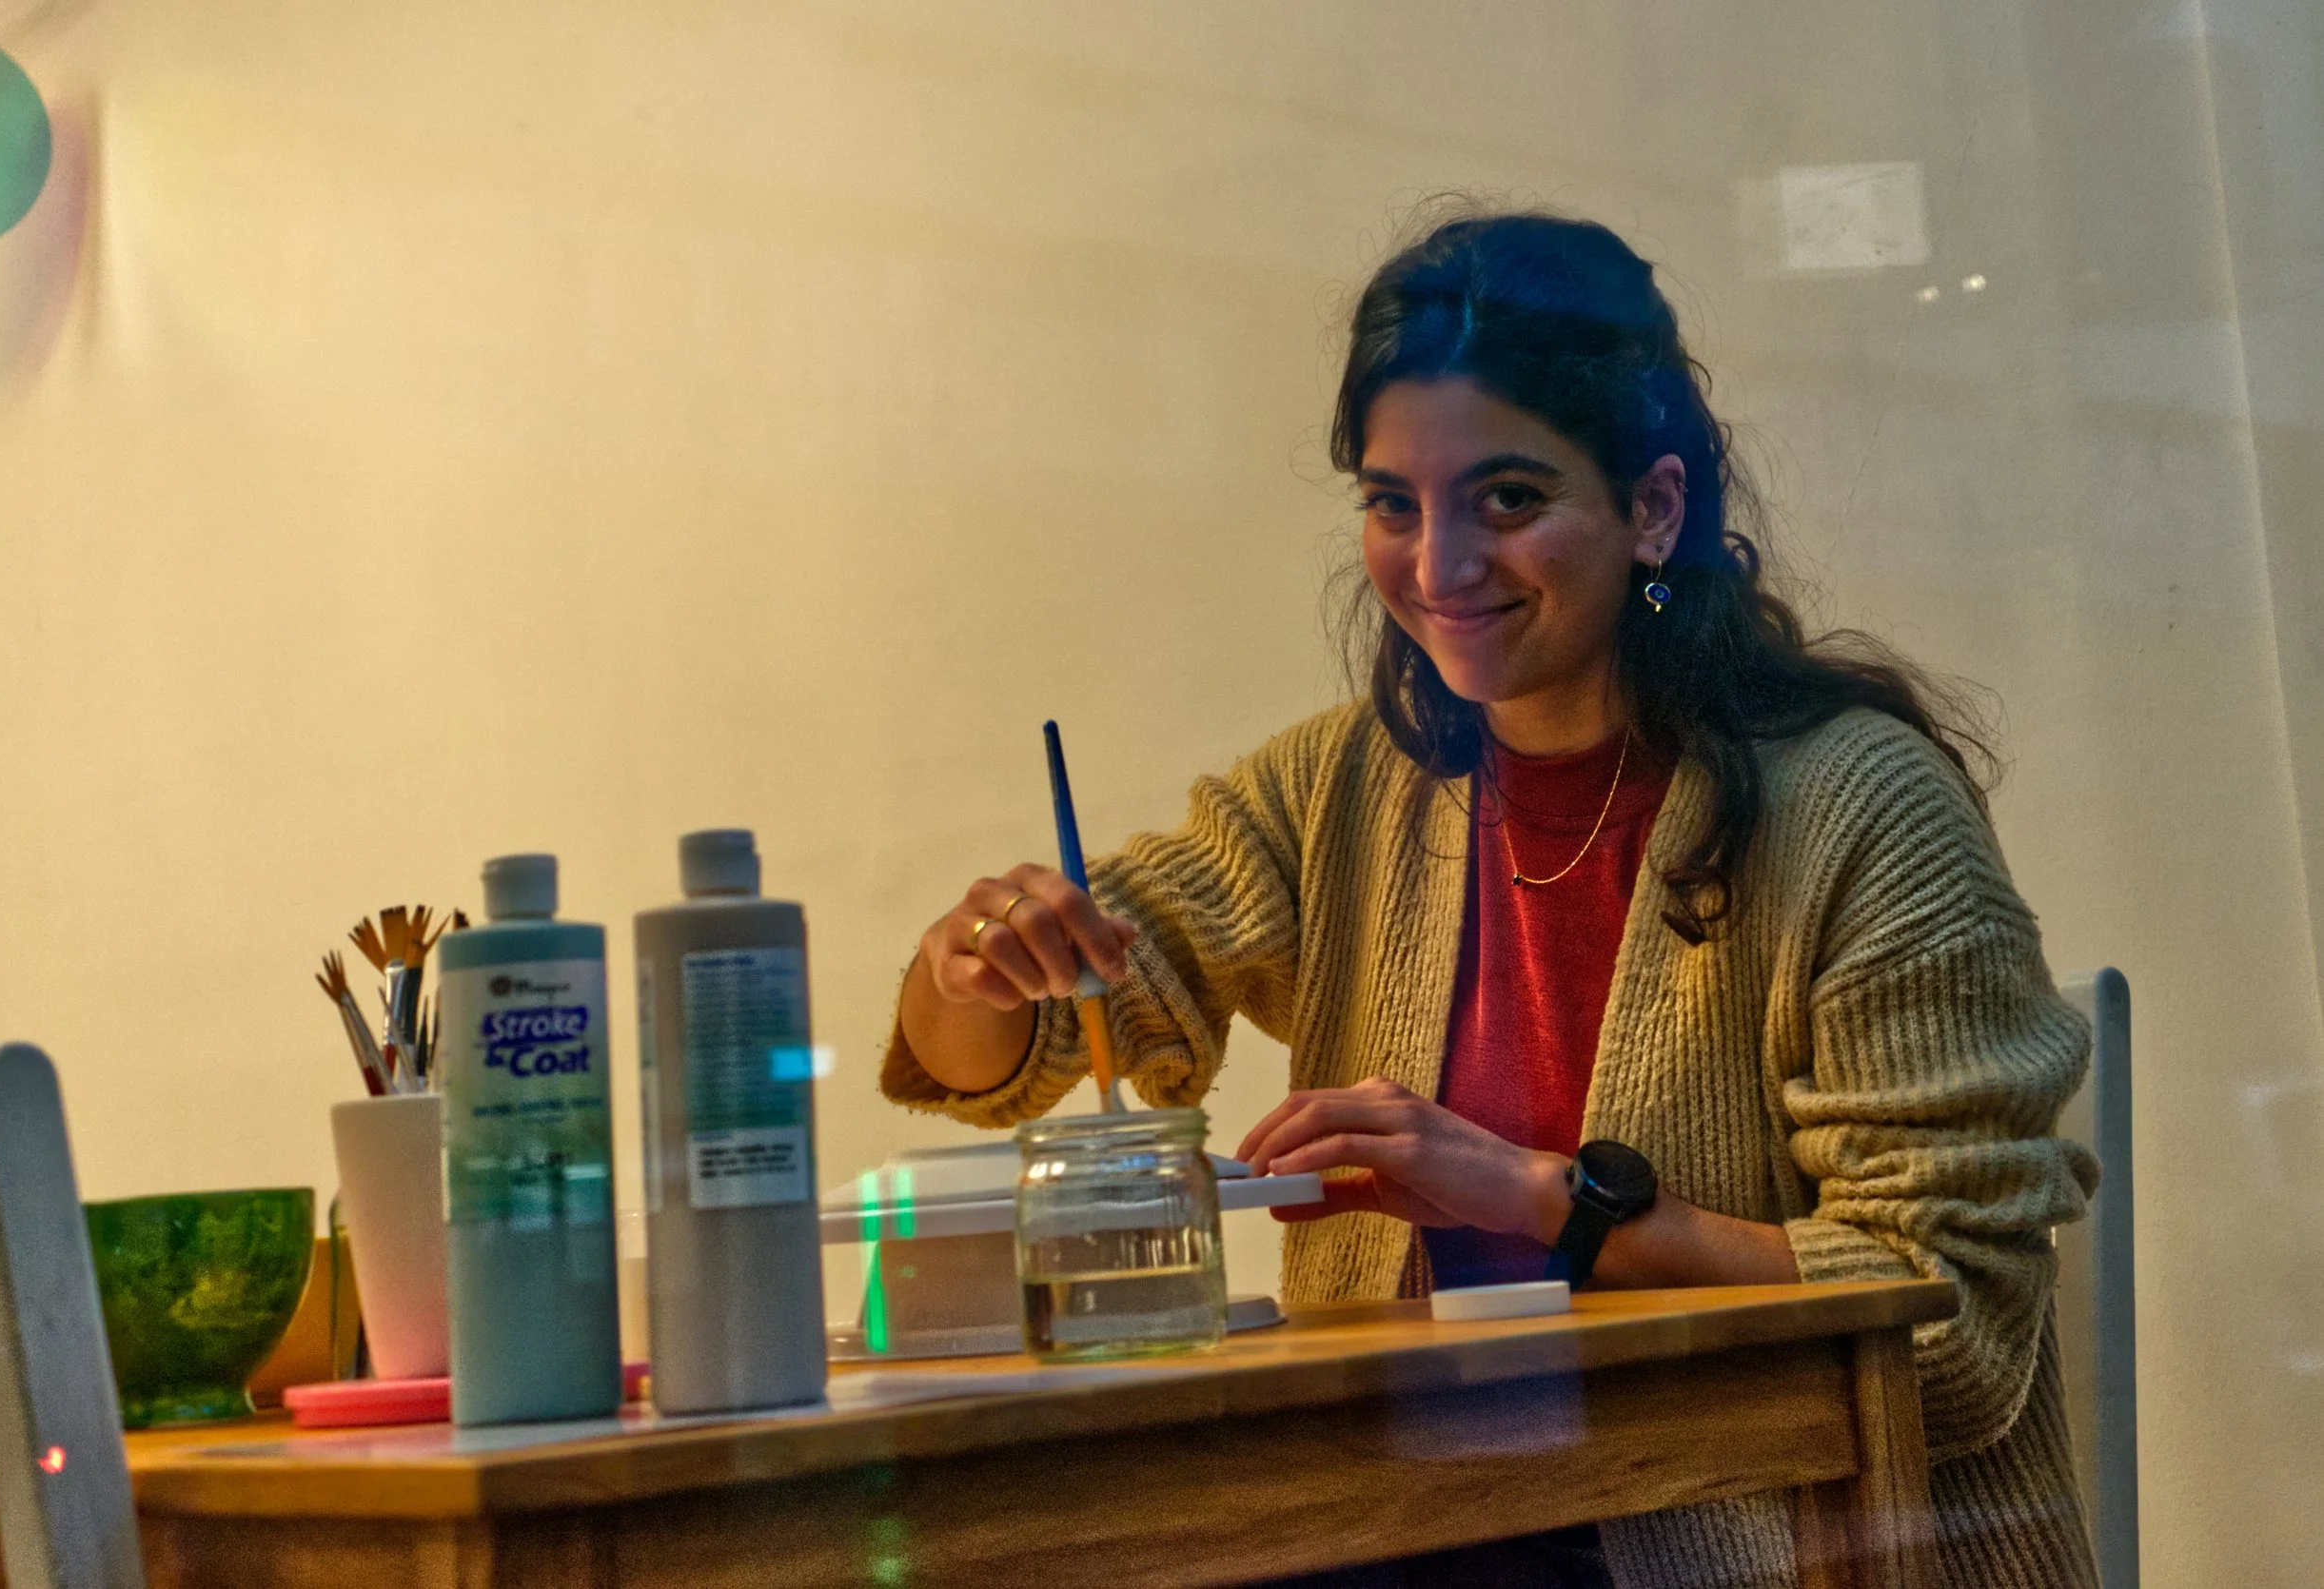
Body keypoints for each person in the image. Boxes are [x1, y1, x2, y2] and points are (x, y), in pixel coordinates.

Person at [883, 209, 2098, 1588]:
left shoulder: (1862, 808)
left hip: (1750, 1544)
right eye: (1394, 503)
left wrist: (1536, 1197)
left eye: (1507, 499)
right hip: (1400, 1526)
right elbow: (1016, 1046)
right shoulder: (1342, 790)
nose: (1440, 565)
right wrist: (974, 965)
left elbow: (1951, 1338)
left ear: (1654, 508)